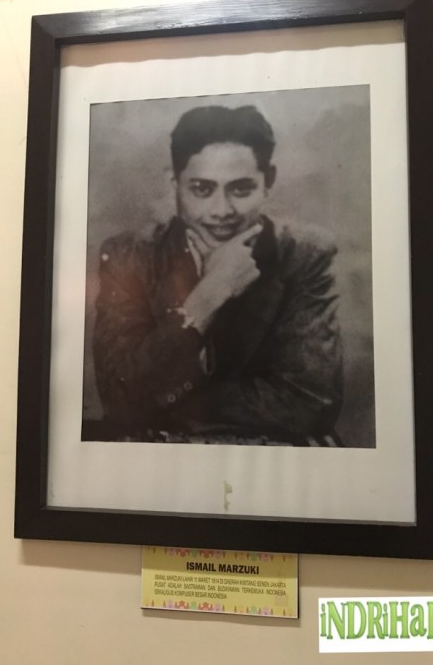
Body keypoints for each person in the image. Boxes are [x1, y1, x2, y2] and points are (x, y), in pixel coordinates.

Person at [91, 105, 343, 445]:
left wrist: (165, 399)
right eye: (201, 189)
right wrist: (207, 296)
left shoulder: (304, 254)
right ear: (173, 183)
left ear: (268, 182)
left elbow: (309, 403)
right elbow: (119, 399)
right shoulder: (129, 255)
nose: (222, 211)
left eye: (241, 189)